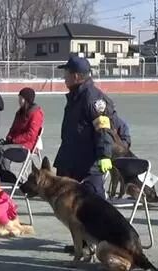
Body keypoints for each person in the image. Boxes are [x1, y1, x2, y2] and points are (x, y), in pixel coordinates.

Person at [54, 56, 115, 199]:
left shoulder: (93, 98)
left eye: (66, 74)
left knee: (93, 208)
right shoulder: (76, 96)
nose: (64, 78)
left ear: (75, 76)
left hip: (87, 166)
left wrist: (104, 155)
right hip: (70, 162)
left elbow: (103, 128)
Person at [0, 87, 44, 181]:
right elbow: (13, 129)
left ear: (27, 99)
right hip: (15, 144)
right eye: (19, 98)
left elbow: (31, 134)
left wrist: (14, 140)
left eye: (21, 98)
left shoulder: (36, 114)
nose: (19, 100)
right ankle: (0, 175)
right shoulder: (19, 113)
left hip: (26, 146)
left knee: (2, 151)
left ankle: (7, 178)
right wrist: (9, 137)